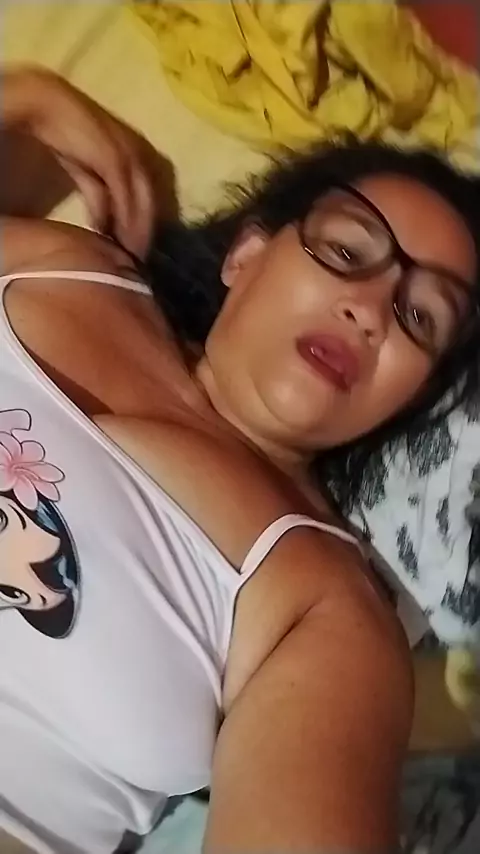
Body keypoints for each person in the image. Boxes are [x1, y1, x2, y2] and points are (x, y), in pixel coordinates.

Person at [1, 65, 480, 854]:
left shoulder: (330, 608)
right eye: (347, 249)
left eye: (420, 316)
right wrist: (27, 100)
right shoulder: (61, 270)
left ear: (411, 397)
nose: (369, 310)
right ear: (248, 255)